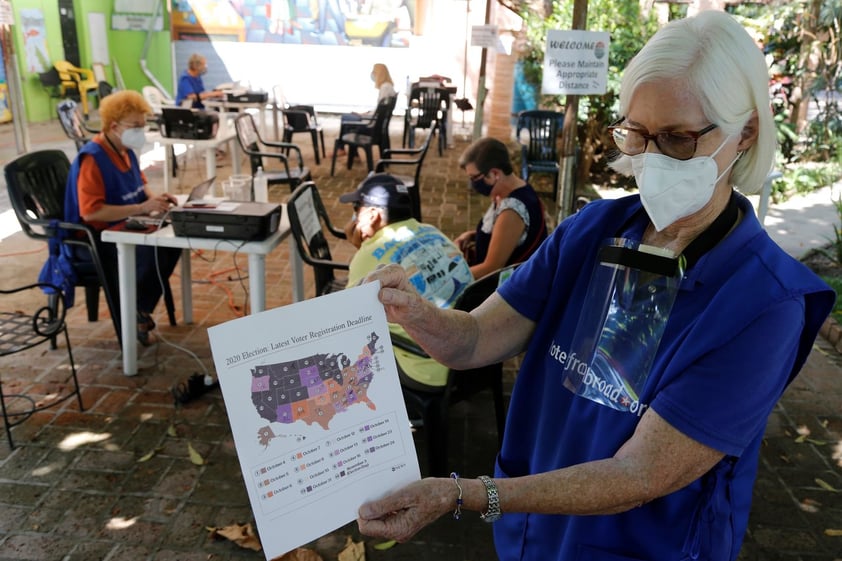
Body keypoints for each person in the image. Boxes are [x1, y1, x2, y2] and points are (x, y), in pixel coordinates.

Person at [355, 11, 835, 561]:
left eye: (678, 139)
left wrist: (466, 495)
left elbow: (638, 473)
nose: (651, 159)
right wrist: (416, 312)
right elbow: (474, 340)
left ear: (745, 131)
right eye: (636, 133)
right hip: (536, 531)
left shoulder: (763, 306)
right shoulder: (592, 231)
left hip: (639, 544)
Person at [64, 90, 181, 348]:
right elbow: (91, 213)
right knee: (155, 249)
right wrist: (141, 208)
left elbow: (141, 187)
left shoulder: (125, 150)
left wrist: (156, 201)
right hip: (95, 239)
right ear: (114, 126)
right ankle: (136, 309)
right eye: (136, 126)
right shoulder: (92, 159)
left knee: (175, 243)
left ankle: (139, 307)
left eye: (144, 125)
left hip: (125, 226)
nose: (142, 131)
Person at [340, 173, 473, 388]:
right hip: (471, 353)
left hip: (429, 368)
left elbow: (350, 318)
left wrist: (364, 249)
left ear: (372, 214)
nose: (353, 218)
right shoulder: (432, 231)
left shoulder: (368, 256)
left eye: (356, 210)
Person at [455, 137, 548, 279]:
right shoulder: (512, 190)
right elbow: (504, 237)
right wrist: (472, 236)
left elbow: (490, 269)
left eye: (474, 178)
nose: (472, 183)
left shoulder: (512, 211)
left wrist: (450, 279)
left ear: (495, 174)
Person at [336, 63, 397, 155]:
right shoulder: (388, 86)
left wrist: (363, 115)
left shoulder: (385, 88)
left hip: (372, 125)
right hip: (375, 122)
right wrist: (365, 113)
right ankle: (346, 151)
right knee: (348, 118)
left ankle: (342, 149)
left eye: (374, 72)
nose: (372, 74)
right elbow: (379, 110)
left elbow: (378, 113)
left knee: (345, 119)